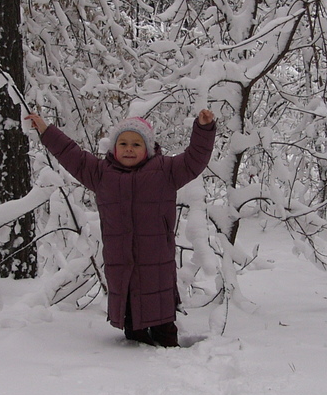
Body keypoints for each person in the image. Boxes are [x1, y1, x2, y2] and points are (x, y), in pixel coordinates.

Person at [25, 109, 216, 347]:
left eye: (136, 144)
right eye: (123, 143)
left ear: (147, 147)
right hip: (120, 263)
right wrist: (46, 130)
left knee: (162, 317)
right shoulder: (102, 174)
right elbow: (71, 155)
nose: (129, 149)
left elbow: (195, 158)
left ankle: (169, 353)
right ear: (114, 148)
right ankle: (130, 362)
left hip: (156, 261)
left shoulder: (166, 171)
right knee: (131, 323)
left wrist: (204, 129)